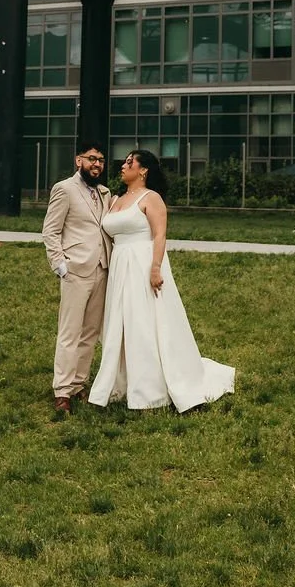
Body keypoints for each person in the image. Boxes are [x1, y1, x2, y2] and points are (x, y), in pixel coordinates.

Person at [89, 149, 235, 412]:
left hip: (143, 263)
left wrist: (155, 268)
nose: (123, 166)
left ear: (143, 170)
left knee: (146, 323)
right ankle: (120, 381)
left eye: (129, 162)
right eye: (124, 162)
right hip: (121, 266)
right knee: (121, 323)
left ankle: (152, 388)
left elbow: (159, 235)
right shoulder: (116, 200)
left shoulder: (151, 198)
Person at [41, 143, 113, 414]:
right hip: (75, 270)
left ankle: (78, 383)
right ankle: (62, 392)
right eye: (92, 159)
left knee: (91, 333)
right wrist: (60, 265)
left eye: (101, 161)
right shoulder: (64, 189)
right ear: (78, 160)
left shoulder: (104, 193)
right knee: (70, 332)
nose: (97, 164)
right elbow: (50, 231)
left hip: (102, 269)